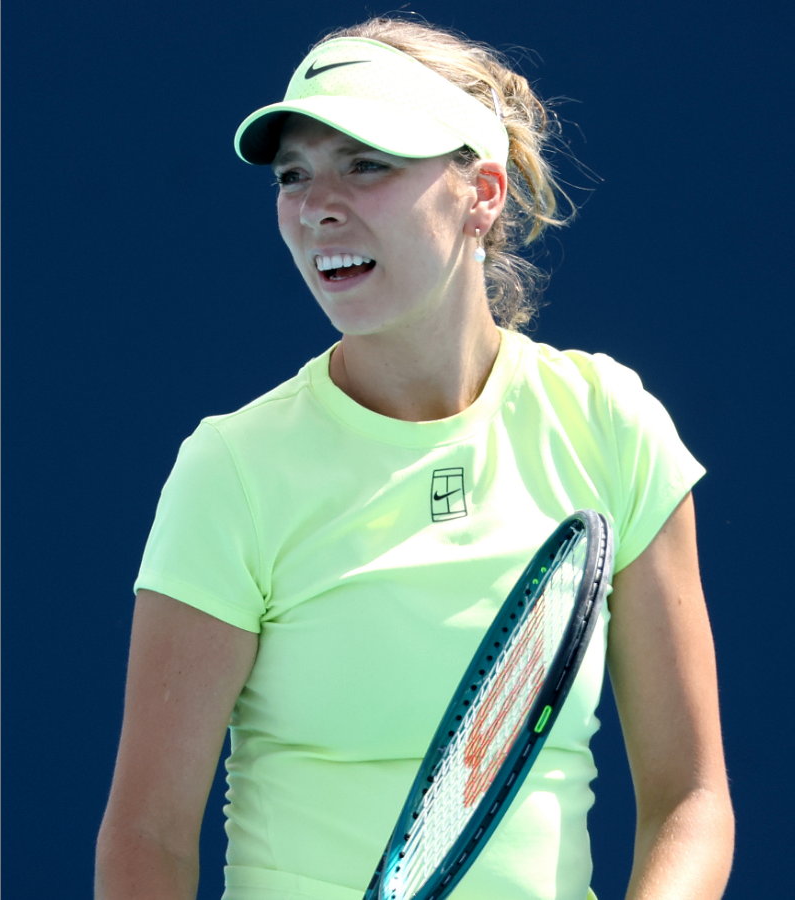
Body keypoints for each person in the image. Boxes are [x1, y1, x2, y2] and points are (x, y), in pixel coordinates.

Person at [94, 18, 732, 900]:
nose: (318, 204)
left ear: (483, 192)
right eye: (293, 175)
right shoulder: (231, 470)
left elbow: (691, 798)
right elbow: (148, 836)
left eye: (367, 164)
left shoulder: (609, 424)